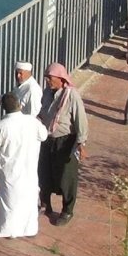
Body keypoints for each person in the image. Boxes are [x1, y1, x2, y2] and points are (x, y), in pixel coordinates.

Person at [0, 92, 49, 238]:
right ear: (20, 105)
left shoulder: (0, 126)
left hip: (9, 170)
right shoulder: (32, 122)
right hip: (29, 168)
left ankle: (8, 231)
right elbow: (44, 136)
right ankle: (29, 229)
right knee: (29, 199)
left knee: (9, 201)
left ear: (4, 108)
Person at [38, 63, 89, 226]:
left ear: (60, 79)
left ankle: (67, 210)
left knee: (66, 176)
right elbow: (42, 112)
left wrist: (81, 143)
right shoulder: (47, 93)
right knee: (44, 172)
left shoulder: (71, 95)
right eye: (46, 77)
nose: (47, 81)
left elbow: (81, 119)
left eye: (50, 78)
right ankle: (45, 204)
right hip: (47, 138)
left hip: (65, 140)